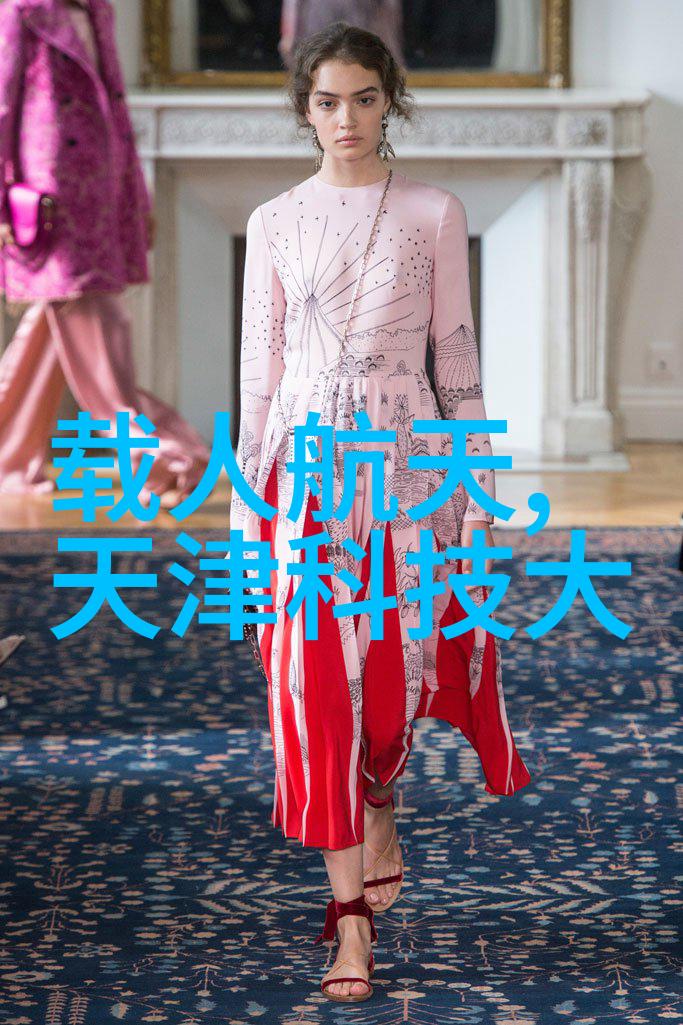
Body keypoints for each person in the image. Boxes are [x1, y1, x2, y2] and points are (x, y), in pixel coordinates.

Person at [230, 20, 532, 1002]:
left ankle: (378, 797)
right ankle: (348, 916)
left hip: (405, 470)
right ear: (304, 109)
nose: (345, 118)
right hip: (305, 479)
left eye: (363, 98)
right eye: (327, 101)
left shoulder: (433, 212)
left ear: (387, 100)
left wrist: (473, 492)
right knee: (318, 687)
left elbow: (457, 360)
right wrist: (244, 509)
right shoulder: (273, 220)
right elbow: (259, 373)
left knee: (394, 684)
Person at [0, 0, 210, 507]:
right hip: (51, 200)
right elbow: (2, 107)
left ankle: (8, 458)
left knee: (54, 326)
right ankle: (160, 456)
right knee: (97, 321)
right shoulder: (19, 10)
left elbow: (116, 111)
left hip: (102, 190)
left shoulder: (97, 10)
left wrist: (137, 200)